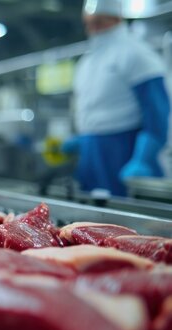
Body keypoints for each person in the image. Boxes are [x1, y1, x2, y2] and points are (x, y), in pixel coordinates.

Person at [64, 0, 170, 196]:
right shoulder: (87, 62)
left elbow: (157, 111)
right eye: (88, 23)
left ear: (116, 18)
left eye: (99, 22)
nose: (92, 29)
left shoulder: (137, 54)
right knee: (90, 213)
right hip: (91, 151)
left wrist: (143, 157)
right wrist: (81, 140)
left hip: (124, 149)